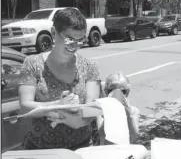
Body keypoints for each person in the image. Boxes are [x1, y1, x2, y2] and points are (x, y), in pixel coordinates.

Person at [18, 8, 102, 150]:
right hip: (40, 150)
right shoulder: (32, 63)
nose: (74, 46)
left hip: (81, 148)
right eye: (69, 40)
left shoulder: (90, 66)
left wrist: (72, 120)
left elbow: (92, 110)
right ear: (53, 32)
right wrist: (59, 104)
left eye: (79, 40)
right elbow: (25, 107)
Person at [93, 72, 140, 145]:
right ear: (106, 92)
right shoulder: (100, 110)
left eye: (122, 91)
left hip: (125, 151)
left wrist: (128, 113)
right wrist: (110, 112)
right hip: (107, 151)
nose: (117, 95)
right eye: (111, 91)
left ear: (127, 92)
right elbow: (102, 134)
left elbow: (133, 136)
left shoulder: (134, 111)